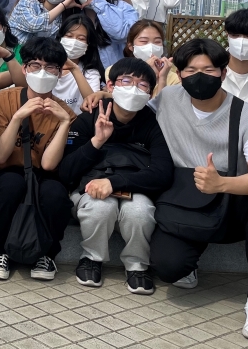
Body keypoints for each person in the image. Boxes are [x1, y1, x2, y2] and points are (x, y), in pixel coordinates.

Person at [148, 38, 248, 343]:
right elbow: (130, 110)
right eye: (190, 70)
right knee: (168, 268)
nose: (199, 77)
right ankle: (189, 263)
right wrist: (99, 96)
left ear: (223, 73)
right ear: (179, 74)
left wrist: (221, 183)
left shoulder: (247, 116)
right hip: (184, 200)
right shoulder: (167, 99)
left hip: (232, 201)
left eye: (208, 70)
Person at [61, 58, 174, 294]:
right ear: (111, 86)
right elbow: (66, 171)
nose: (134, 88)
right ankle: (91, 257)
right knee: (101, 207)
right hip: (89, 189)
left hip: (135, 188)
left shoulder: (153, 124)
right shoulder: (88, 117)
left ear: (150, 93)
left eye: (142, 85)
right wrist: (96, 141)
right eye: (126, 81)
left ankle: (137, 265)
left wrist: (114, 182)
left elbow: (162, 173)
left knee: (139, 211)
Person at [0, 37, 75, 282]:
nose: (42, 72)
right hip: (6, 170)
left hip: (43, 173)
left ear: (59, 73)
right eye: (35, 65)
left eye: (51, 67)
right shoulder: (2, 100)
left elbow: (48, 164)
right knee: (9, 186)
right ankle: (0, 251)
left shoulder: (65, 112)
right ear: (24, 68)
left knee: (55, 195)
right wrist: (17, 118)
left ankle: (47, 255)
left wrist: (64, 123)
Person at [74, 0, 139, 68]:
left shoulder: (122, 7)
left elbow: (121, 34)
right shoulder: (70, 11)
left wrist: (98, 3)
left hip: (114, 71)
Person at [54, 15, 105, 114]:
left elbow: (92, 103)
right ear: (60, 38)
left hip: (77, 122)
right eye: (69, 36)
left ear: (88, 44)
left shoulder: (90, 73)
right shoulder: (45, 67)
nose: (74, 42)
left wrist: (74, 69)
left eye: (81, 38)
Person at [116, 19, 180, 97]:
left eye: (157, 42)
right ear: (131, 46)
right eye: (143, 41)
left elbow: (164, 104)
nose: (151, 47)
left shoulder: (175, 79)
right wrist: (147, 73)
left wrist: (162, 78)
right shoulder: (116, 71)